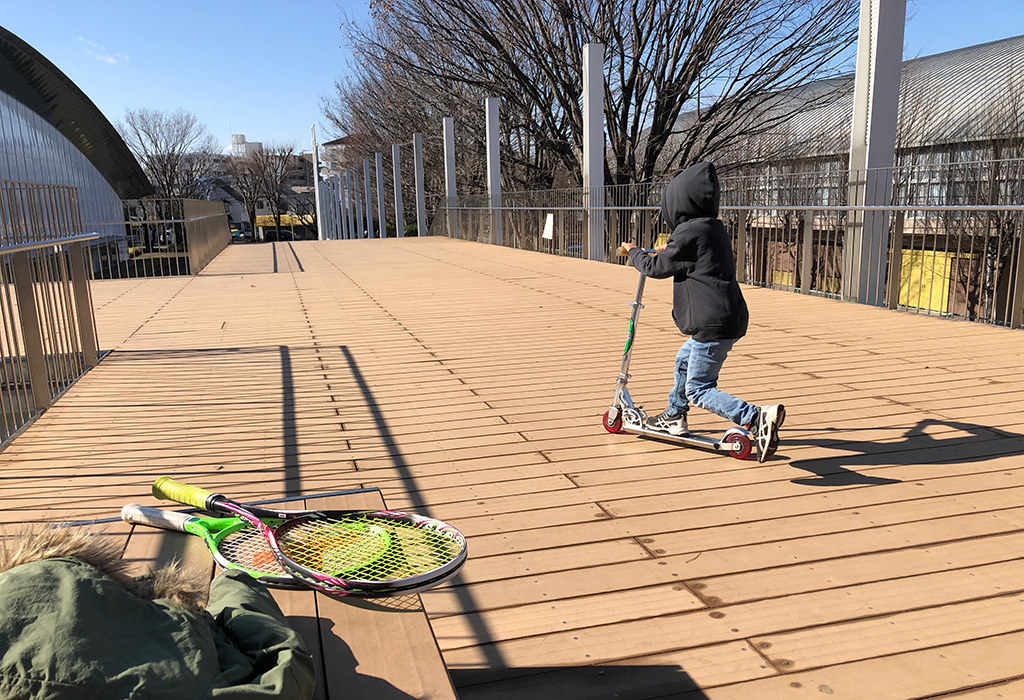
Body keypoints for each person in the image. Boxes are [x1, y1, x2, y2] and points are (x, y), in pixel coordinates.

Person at [620, 160, 785, 463]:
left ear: (679, 202)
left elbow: (656, 268)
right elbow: (686, 258)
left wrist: (634, 252)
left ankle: (754, 417)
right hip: (726, 315)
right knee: (683, 361)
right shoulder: (712, 229)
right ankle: (674, 414)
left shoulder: (687, 234)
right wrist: (661, 251)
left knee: (699, 388)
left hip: (711, 322)